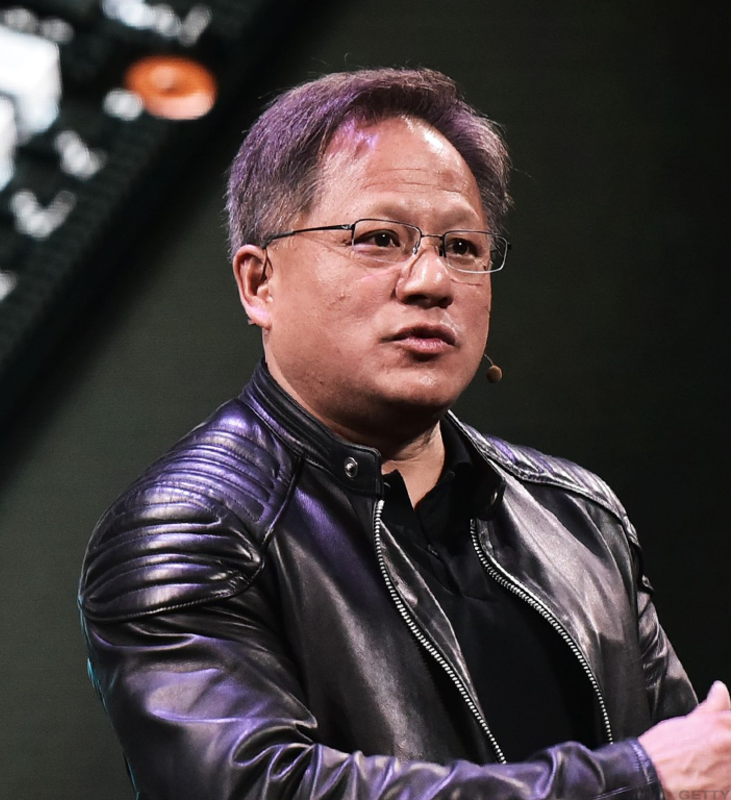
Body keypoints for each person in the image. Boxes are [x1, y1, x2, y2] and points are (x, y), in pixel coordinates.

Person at [77, 68, 731, 800]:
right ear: (260, 283)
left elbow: (701, 771)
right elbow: (266, 789)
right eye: (380, 238)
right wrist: (632, 781)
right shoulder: (190, 529)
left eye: (462, 247)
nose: (431, 281)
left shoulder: (579, 516)